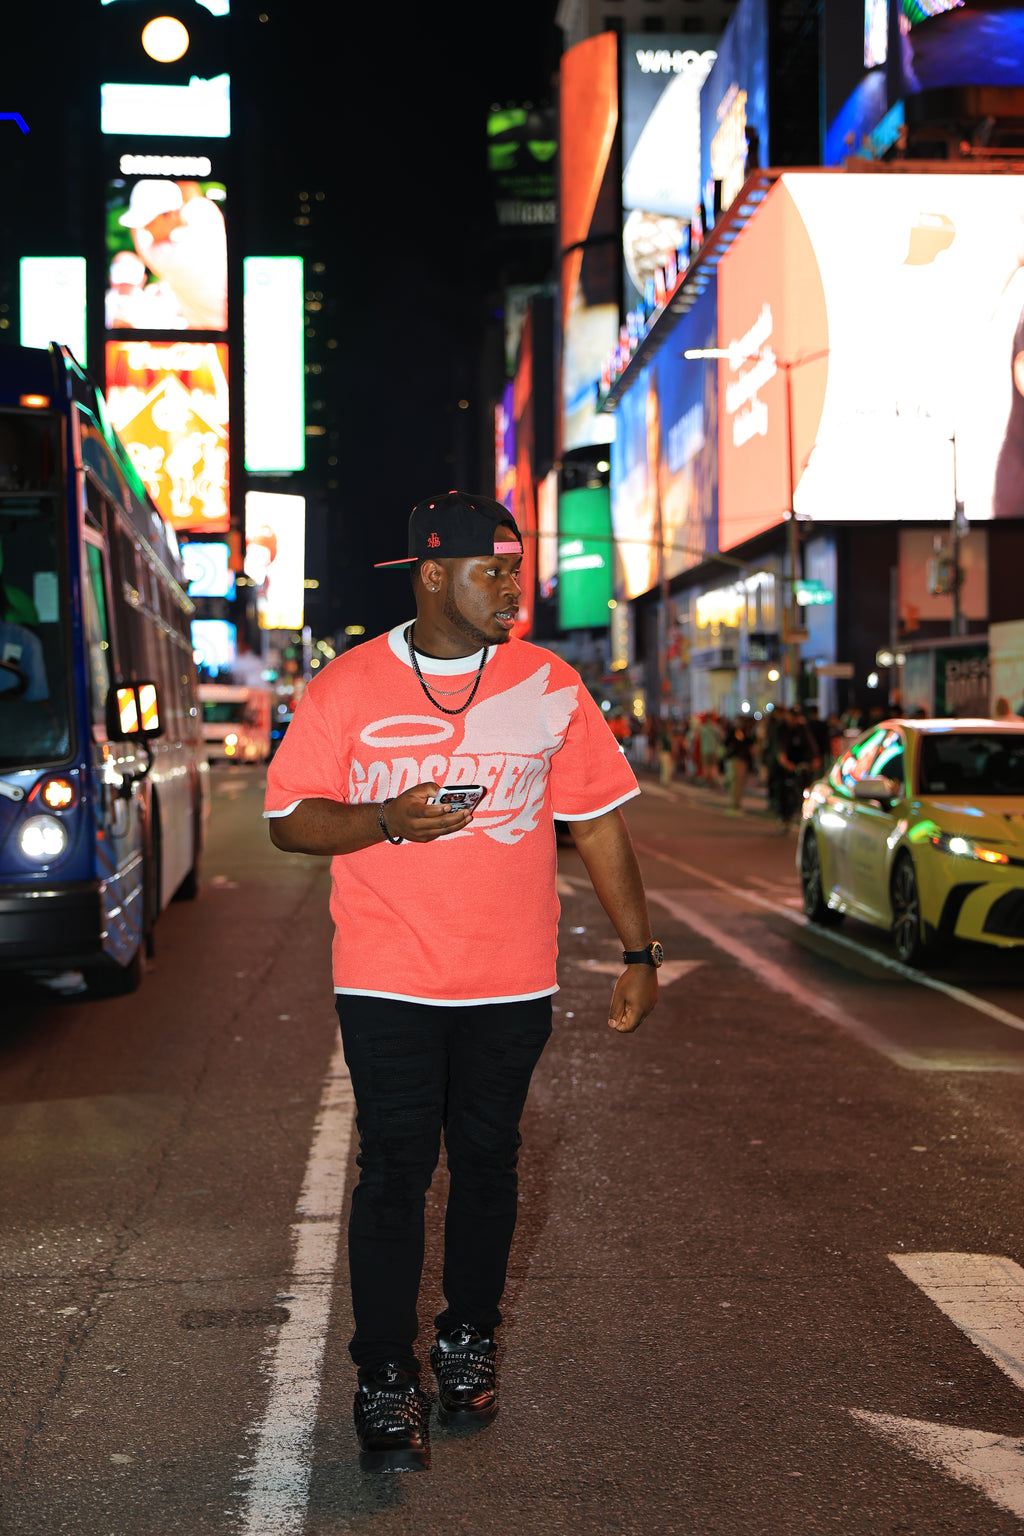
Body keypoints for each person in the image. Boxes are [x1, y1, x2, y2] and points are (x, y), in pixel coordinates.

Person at [264, 491, 660, 1473]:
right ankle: (385, 1375)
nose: (513, 591)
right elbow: (287, 819)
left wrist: (639, 952)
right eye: (495, 572)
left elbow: (599, 822)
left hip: (509, 983)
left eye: (517, 571)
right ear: (433, 574)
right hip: (389, 976)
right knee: (395, 1171)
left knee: (488, 1166)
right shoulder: (349, 687)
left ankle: (468, 1339)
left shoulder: (547, 680)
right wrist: (384, 819)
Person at [721, 718, 754, 814]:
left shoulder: (746, 733)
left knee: (741, 783)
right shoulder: (732, 732)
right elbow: (726, 743)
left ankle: (737, 803)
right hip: (734, 759)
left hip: (743, 760)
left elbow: (750, 743)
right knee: (734, 782)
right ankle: (733, 803)